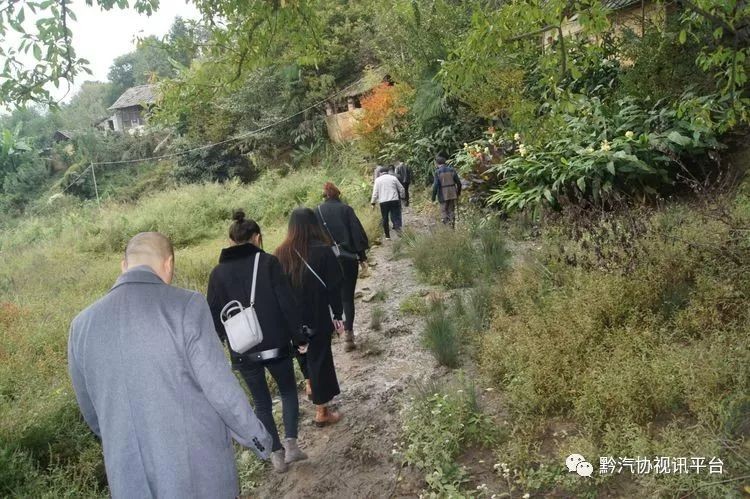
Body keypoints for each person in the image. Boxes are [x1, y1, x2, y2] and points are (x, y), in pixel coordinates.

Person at [68, 232, 272, 499]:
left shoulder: (81, 326)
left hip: (130, 482)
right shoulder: (186, 306)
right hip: (197, 477)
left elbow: (92, 413)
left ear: (124, 265)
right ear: (169, 263)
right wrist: (258, 438)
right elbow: (220, 389)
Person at [207, 210, 307, 474]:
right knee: (287, 391)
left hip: (242, 350)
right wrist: (299, 337)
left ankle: (276, 455)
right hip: (276, 344)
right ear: (257, 238)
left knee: (262, 403)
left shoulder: (217, 274)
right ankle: (292, 445)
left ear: (230, 241)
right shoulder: (268, 263)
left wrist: (223, 344)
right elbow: (287, 303)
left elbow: (214, 315)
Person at [275, 208, 345, 427]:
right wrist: (338, 314)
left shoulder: (280, 254)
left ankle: (310, 383)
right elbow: (335, 286)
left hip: (291, 318)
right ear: (314, 225)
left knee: (302, 352)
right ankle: (322, 412)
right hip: (317, 314)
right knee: (320, 359)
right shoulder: (323, 251)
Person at [315, 182, 370, 352]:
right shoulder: (346, 209)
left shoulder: (317, 211)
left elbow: (314, 237)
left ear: (324, 195)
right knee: (347, 298)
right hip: (347, 258)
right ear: (338, 194)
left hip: (326, 260)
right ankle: (348, 335)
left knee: (331, 297)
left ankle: (334, 330)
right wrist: (362, 257)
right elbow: (357, 234)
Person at [371, 166, 405, 240]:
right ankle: (399, 233)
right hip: (394, 200)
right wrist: (402, 197)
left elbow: (375, 193)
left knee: (385, 218)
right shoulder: (393, 178)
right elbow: (401, 188)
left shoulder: (377, 180)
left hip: (383, 202)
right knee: (396, 216)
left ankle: (387, 236)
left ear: (380, 173)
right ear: (388, 172)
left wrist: (373, 203)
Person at [431, 156, 462, 227]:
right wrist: (458, 192)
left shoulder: (437, 172)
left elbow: (435, 185)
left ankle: (447, 226)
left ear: (437, 163)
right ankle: (452, 226)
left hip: (442, 194)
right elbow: (459, 183)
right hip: (452, 193)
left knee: (444, 210)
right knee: (451, 210)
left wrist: (433, 196)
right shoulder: (452, 170)